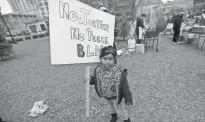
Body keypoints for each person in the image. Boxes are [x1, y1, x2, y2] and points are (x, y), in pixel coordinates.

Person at [85, 46, 133, 122]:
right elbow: (96, 80)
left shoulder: (118, 70)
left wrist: (128, 98)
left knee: (120, 110)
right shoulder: (98, 69)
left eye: (110, 59)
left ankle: (126, 119)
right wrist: (90, 79)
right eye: (105, 58)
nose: (108, 61)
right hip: (106, 95)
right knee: (110, 107)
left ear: (114, 59)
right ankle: (114, 116)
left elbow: (124, 85)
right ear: (101, 59)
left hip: (116, 96)